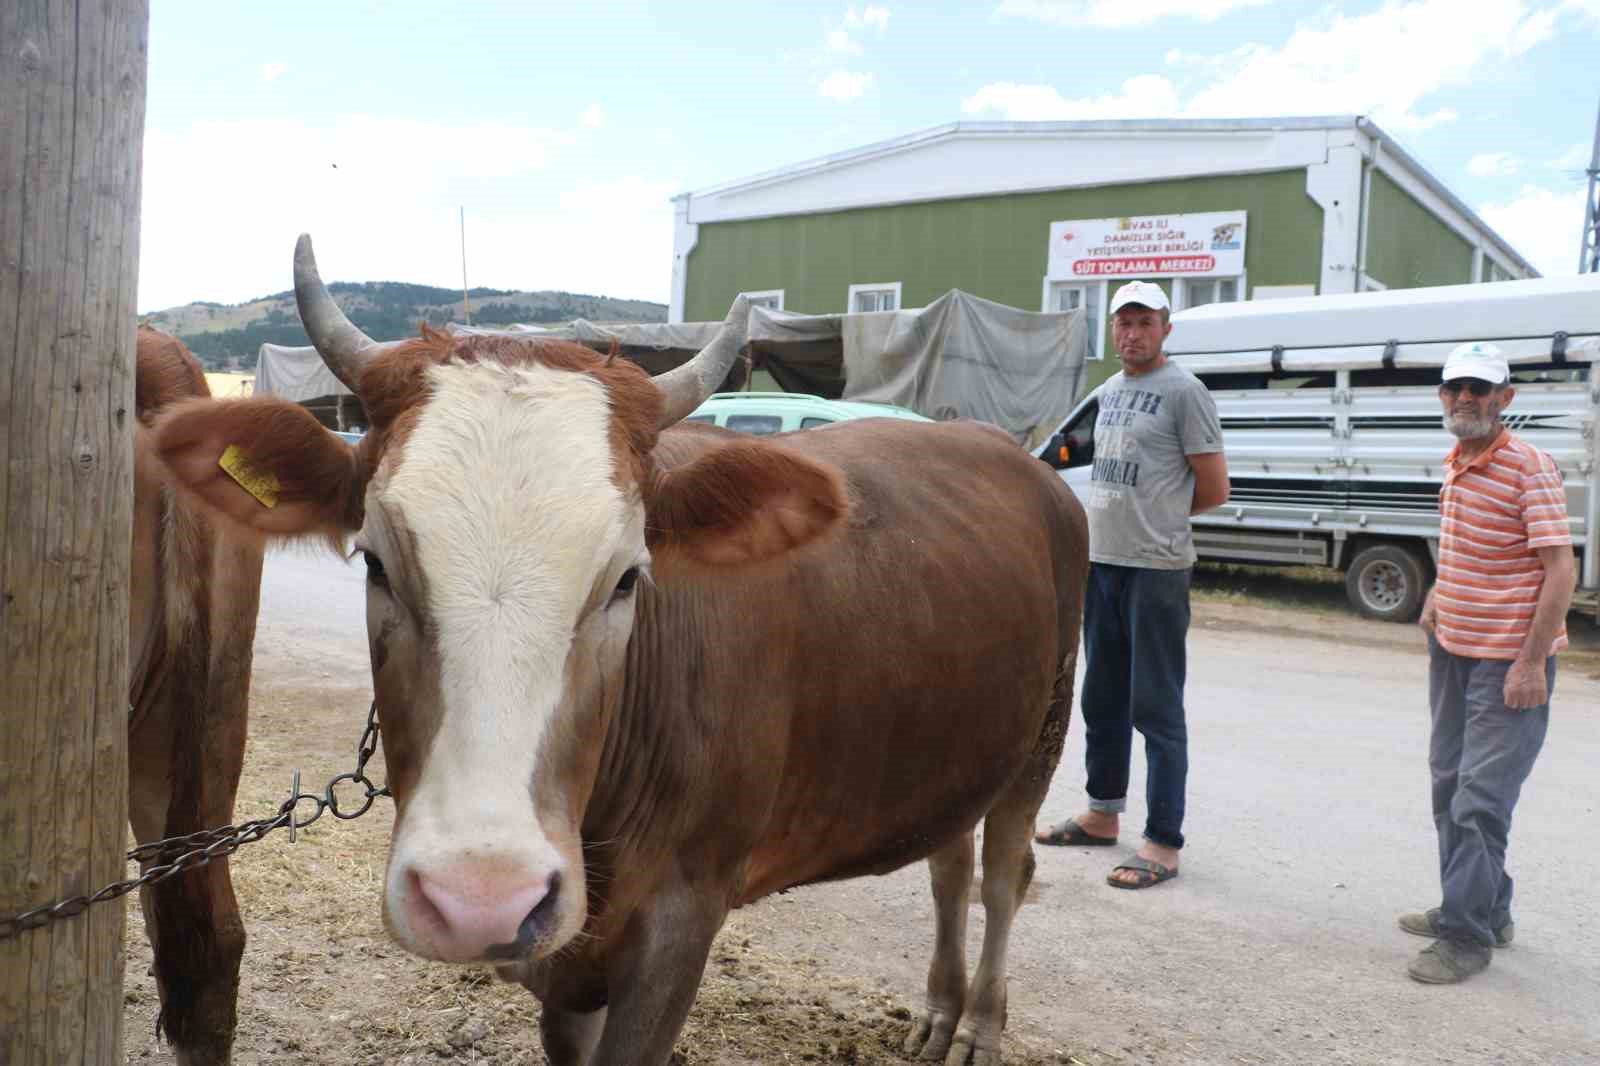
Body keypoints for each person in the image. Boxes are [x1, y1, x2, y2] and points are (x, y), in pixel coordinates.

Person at [1036, 280, 1229, 889]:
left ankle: (1163, 842)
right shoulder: (1110, 392)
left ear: (1165, 328)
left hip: (1157, 570)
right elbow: (1064, 457)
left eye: (1144, 322)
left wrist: (1162, 516)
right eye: (1123, 322)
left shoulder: (1185, 392)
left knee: (1157, 708)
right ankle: (1101, 814)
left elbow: (1215, 488)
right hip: (1105, 564)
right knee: (1103, 699)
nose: (1131, 333)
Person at [1401, 341, 1575, 984]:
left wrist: (1532, 662)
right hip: (1453, 651)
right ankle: (1484, 907)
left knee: (1480, 799)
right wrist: (1441, 591)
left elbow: (1561, 567)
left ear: (1506, 398)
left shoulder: (1529, 466)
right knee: (1449, 782)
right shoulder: (1457, 460)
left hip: (1508, 661)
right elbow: (1473, 548)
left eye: (1480, 388)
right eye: (1455, 388)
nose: (1465, 398)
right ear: (1443, 397)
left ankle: (1465, 936)